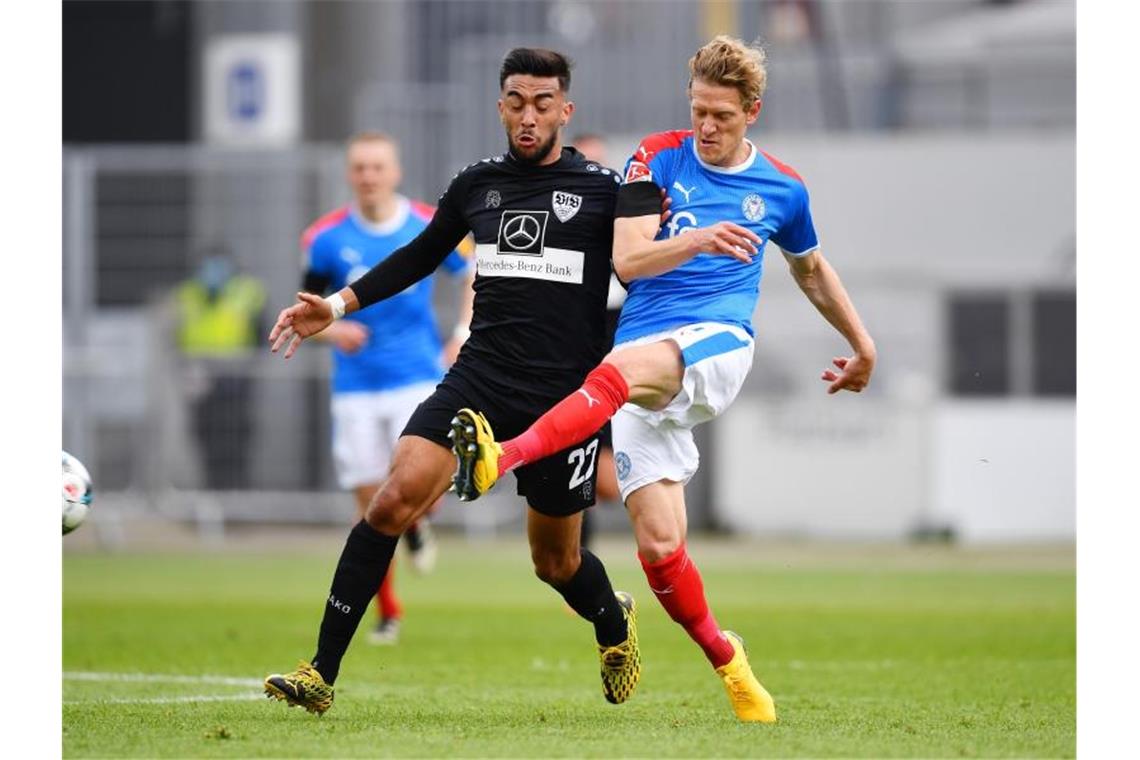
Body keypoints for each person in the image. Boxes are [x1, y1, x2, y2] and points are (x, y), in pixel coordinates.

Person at [451, 36, 877, 724]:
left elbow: (811, 270)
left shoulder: (783, 188)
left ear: (753, 112)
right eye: (699, 111)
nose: (706, 127)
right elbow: (630, 261)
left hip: (715, 346)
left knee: (612, 373)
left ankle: (502, 457)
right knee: (658, 550)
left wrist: (861, 345)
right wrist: (697, 239)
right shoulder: (656, 156)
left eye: (723, 116)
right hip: (648, 352)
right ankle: (731, 664)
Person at [263, 48, 643, 715]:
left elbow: (643, 269)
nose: (529, 116)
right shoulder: (477, 185)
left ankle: (613, 622)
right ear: (500, 106)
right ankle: (320, 672)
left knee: (554, 563)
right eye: (517, 102)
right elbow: (416, 257)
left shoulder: (603, 191)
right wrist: (338, 305)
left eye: (543, 103)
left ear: (565, 110)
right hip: (480, 379)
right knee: (388, 505)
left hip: (563, 396)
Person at [299, 131, 473, 645]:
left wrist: (461, 333)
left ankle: (418, 524)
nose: (369, 177)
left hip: (417, 378)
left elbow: (473, 273)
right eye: (360, 168)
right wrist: (334, 328)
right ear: (350, 175)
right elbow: (309, 306)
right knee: (369, 507)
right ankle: (388, 611)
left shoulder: (426, 224)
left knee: (417, 488)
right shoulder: (326, 239)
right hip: (355, 386)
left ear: (394, 172)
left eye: (378, 167)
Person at [569, 133, 622, 550]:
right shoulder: (559, 216)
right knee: (575, 456)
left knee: (607, 484)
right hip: (570, 345)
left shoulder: (627, 215)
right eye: (588, 162)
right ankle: (577, 558)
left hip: (617, 341)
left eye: (602, 163)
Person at [174, 251, 265, 490]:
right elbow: (177, 334)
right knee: (206, 439)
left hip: (235, 378)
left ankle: (237, 497)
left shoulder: (247, 293)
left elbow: (261, 333)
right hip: (200, 377)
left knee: (235, 440)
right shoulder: (189, 295)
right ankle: (213, 498)